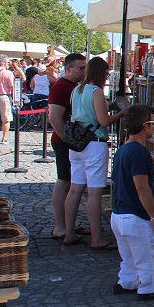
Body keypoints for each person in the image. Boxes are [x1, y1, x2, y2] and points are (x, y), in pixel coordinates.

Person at [63, 56, 125, 249]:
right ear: (100, 73)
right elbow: (104, 121)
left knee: (74, 190)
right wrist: (122, 113)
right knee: (94, 194)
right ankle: (97, 238)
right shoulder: (96, 92)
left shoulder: (77, 90)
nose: (107, 77)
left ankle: (69, 232)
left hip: (77, 144)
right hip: (94, 144)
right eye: (106, 73)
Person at [110, 104, 154, 299]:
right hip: (135, 215)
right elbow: (141, 187)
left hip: (119, 213)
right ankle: (150, 287)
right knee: (149, 258)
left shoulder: (122, 150)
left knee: (129, 257)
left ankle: (127, 282)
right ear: (145, 126)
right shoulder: (139, 152)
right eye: (153, 122)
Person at [49, 53, 87, 240]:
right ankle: (60, 226)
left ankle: (67, 224)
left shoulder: (73, 86)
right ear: (68, 68)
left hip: (69, 141)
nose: (84, 72)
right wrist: (67, 138)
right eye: (81, 68)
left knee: (70, 182)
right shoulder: (62, 87)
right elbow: (54, 116)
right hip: (64, 142)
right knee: (64, 181)